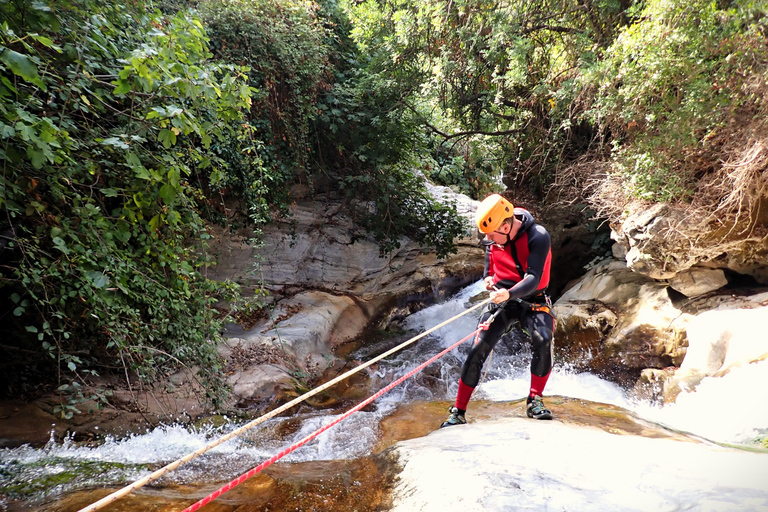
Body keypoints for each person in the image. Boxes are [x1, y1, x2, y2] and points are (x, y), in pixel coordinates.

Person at [441, 193, 555, 427]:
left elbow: (533, 277)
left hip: (533, 300)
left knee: (543, 339)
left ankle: (535, 401)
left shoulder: (538, 236)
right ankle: (458, 411)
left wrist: (510, 293)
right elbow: (489, 263)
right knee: (477, 347)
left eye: (492, 235)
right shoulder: (495, 238)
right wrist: (489, 279)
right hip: (503, 300)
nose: (489, 240)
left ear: (506, 226)